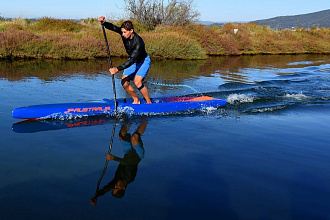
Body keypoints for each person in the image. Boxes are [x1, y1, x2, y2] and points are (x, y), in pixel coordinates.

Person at [90, 119, 147, 205]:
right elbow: (127, 162)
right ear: (123, 188)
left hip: (128, 152)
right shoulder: (130, 178)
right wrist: (113, 158)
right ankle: (145, 119)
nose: (115, 185)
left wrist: (96, 196)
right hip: (137, 154)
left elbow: (106, 188)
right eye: (117, 187)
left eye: (114, 187)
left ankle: (128, 119)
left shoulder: (117, 180)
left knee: (122, 135)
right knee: (134, 137)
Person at [98, 16, 152, 104]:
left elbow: (131, 61)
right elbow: (113, 27)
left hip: (143, 61)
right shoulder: (123, 33)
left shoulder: (138, 43)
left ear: (131, 31)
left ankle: (149, 103)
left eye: (125, 32)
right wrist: (104, 23)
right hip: (133, 60)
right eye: (122, 32)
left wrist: (117, 69)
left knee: (137, 82)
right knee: (124, 82)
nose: (123, 34)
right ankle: (136, 100)